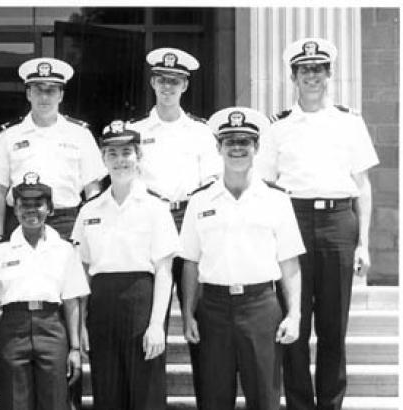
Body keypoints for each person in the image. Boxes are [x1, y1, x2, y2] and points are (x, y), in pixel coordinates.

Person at [255, 38, 379, 410]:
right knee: (293, 320)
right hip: (291, 220)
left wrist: (364, 243)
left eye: (318, 69)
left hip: (339, 223)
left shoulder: (350, 122)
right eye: (304, 70)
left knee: (333, 325)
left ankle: (330, 404)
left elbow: (363, 185)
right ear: (293, 76)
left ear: (329, 74)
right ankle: (298, 404)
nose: (312, 76)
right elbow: (264, 185)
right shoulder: (278, 126)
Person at [180, 107, 304, 410]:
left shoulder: (277, 199)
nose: (237, 148)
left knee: (264, 399)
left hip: (261, 307)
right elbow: (190, 263)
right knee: (213, 399)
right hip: (213, 309)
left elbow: (290, 263)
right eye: (230, 141)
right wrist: (187, 314)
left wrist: (295, 314)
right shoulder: (199, 200)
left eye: (245, 142)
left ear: (257, 148)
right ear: (218, 148)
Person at [127, 47, 221, 406]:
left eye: (175, 81)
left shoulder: (200, 132)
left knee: (201, 320)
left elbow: (212, 182)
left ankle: (210, 400)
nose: (168, 87)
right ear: (153, 82)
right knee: (150, 320)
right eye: (162, 80)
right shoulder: (136, 131)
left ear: (185, 85)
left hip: (191, 221)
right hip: (150, 223)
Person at [71, 120, 179, 410]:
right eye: (113, 154)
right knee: (107, 391)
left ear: (139, 156)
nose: (120, 161)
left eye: (127, 153)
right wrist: (81, 323)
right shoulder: (89, 210)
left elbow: (165, 272)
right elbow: (82, 272)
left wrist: (157, 324)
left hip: (140, 300)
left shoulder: (156, 207)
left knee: (146, 392)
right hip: (102, 302)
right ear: (103, 159)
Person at [0, 172, 89, 410]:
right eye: (23, 205)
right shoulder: (1, 252)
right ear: (15, 210)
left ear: (49, 208)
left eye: (38, 204)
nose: (31, 211)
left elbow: (71, 302)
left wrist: (75, 348)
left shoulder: (65, 250)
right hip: (11, 331)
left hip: (52, 328)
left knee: (55, 403)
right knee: (14, 402)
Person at [0, 57, 106, 243]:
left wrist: (93, 233)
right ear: (29, 94)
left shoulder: (80, 134)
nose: (44, 97)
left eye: (51, 91)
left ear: (61, 95)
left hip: (67, 223)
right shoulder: (10, 135)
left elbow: (92, 189)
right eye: (38, 90)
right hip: (20, 220)